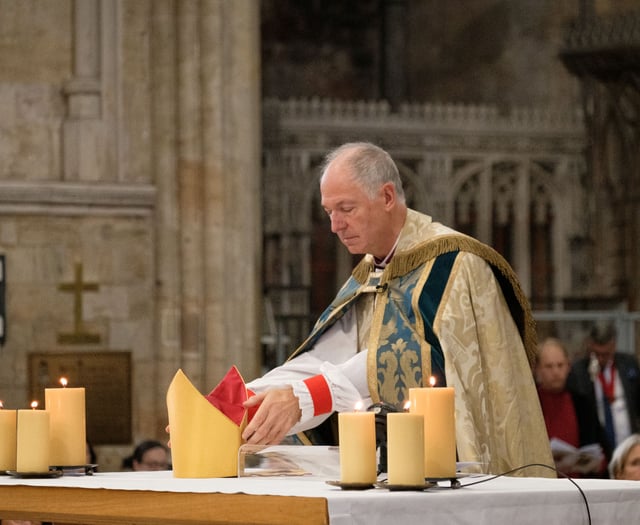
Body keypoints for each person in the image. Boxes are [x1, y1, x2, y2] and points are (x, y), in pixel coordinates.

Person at [240, 142, 553, 476]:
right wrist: (241, 402)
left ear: (387, 197)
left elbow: (412, 356)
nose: (335, 225)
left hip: (461, 466)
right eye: (329, 212)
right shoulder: (371, 272)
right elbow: (326, 356)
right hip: (393, 466)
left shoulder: (458, 264)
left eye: (346, 208)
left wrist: (306, 396)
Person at [535, 337, 608, 477]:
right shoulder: (530, 405)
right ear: (537, 368)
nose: (556, 372)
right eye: (549, 366)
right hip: (541, 483)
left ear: (568, 366)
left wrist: (595, 463)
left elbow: (602, 450)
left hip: (579, 485)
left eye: (560, 365)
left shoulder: (582, 404)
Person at [567, 321, 640, 452]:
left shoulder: (629, 363)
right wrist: (590, 378)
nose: (600, 359)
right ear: (589, 345)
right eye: (596, 353)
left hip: (628, 444)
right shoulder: (579, 370)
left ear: (614, 346)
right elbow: (580, 405)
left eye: (605, 354)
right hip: (597, 448)